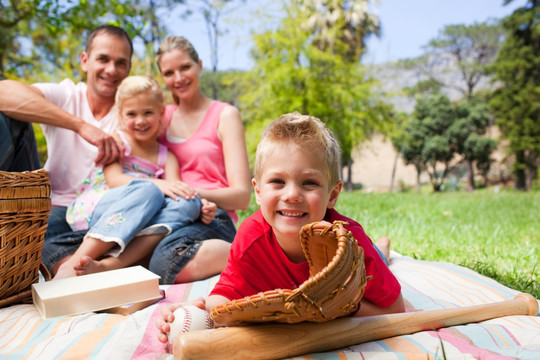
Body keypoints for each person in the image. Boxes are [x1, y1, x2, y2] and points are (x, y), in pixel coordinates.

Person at [155, 113, 405, 342]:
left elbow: (396, 310)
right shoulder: (250, 237)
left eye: (309, 182)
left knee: (377, 255)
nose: (292, 194)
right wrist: (199, 310)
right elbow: (229, 295)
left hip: (364, 253)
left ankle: (381, 248)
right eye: (277, 181)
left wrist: (341, 307)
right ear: (258, 191)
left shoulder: (350, 244)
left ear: (332, 194)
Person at [91, 35, 252, 284]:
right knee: (125, 246)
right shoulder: (158, 116)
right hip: (166, 212)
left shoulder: (225, 115)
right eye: (169, 73)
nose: (178, 78)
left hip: (212, 215)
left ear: (199, 64)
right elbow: (131, 142)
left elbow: (242, 196)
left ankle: (245, 254)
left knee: (165, 260)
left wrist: (188, 194)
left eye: (185, 67)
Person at [0, 25, 137, 275]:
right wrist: (80, 125)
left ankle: (73, 269)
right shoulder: (67, 95)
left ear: (128, 69)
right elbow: (3, 93)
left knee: (74, 267)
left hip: (100, 216)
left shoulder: (135, 114)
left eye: (120, 63)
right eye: (103, 59)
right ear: (85, 61)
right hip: (47, 205)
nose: (111, 70)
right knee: (8, 118)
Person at [54, 75, 217, 279]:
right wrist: (157, 184)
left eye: (148, 112)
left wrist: (202, 206)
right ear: (121, 116)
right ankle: (75, 261)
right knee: (149, 190)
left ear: (160, 113)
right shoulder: (118, 142)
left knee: (189, 202)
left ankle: (111, 265)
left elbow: (178, 190)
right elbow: (114, 180)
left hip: (143, 217)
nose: (140, 120)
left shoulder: (168, 157)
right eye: (132, 114)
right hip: (103, 208)